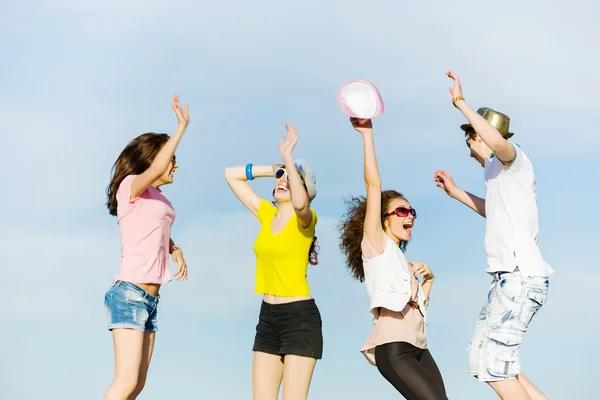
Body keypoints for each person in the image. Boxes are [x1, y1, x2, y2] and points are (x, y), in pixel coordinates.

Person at [434, 71, 553, 400]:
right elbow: (496, 210)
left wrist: (460, 103)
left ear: (481, 135)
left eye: (469, 139)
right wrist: (457, 192)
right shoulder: (495, 174)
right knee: (482, 359)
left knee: (494, 366)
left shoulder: (514, 161)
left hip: (520, 276)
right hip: (507, 279)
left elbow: (499, 143)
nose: (469, 148)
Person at [339, 117, 448, 400]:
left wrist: (429, 280)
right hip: (394, 348)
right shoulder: (377, 246)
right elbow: (373, 185)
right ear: (383, 219)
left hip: (420, 349)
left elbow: (417, 308)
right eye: (401, 211)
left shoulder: (402, 263)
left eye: (411, 211)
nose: (409, 215)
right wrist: (366, 135)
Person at [224, 123, 322, 400]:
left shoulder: (307, 221)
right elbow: (230, 176)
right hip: (267, 317)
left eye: (291, 179)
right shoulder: (267, 215)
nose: (283, 181)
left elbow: (302, 205)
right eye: (281, 178)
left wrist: (290, 160)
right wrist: (274, 168)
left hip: (299, 318)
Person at [103, 94, 190, 400]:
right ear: (154, 158)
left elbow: (155, 229)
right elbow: (153, 173)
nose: (175, 165)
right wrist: (181, 127)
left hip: (150, 300)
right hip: (129, 294)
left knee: (137, 386)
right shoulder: (131, 187)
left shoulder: (159, 199)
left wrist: (174, 248)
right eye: (171, 158)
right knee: (124, 383)